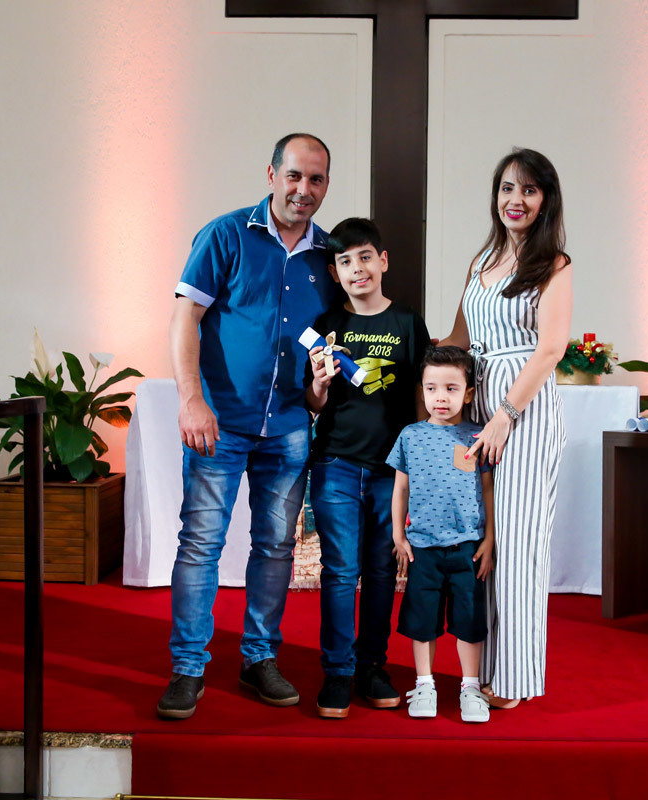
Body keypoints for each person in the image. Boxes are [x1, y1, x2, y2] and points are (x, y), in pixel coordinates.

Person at [157, 133, 336, 720]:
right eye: (294, 175)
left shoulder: (329, 257)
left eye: (316, 179)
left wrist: (318, 395)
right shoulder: (226, 235)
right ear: (271, 174)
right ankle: (188, 667)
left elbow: (330, 343)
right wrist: (191, 400)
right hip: (220, 423)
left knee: (276, 547)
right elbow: (185, 317)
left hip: (289, 427)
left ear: (325, 186)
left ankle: (259, 658)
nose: (303, 189)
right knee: (200, 544)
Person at [440, 148, 572, 707]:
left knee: (518, 543)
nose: (515, 200)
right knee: (482, 541)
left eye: (529, 190)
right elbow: (458, 339)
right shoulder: (482, 260)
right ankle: (483, 668)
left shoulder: (553, 264)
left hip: (523, 412)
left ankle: (514, 677)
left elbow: (551, 349)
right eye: (507, 189)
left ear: (545, 201)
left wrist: (505, 416)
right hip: (477, 408)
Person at [305, 217, 430, 719]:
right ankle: (337, 671)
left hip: (389, 473)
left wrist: (418, 464)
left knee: (381, 570)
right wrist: (319, 384)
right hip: (335, 464)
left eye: (364, 257)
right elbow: (313, 403)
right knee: (339, 571)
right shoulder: (324, 326)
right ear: (334, 273)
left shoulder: (408, 324)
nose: (356, 268)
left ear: (383, 261)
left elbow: (422, 398)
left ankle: (372, 665)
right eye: (345, 261)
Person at [387, 346, 495, 724]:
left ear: (468, 393)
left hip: (468, 547)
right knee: (422, 618)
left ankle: (470, 686)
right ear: (422, 391)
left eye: (451, 388)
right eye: (432, 388)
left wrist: (489, 538)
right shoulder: (410, 436)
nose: (440, 397)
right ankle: (424, 683)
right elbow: (400, 488)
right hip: (423, 548)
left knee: (470, 618)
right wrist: (398, 534)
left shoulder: (478, 435)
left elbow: (487, 491)